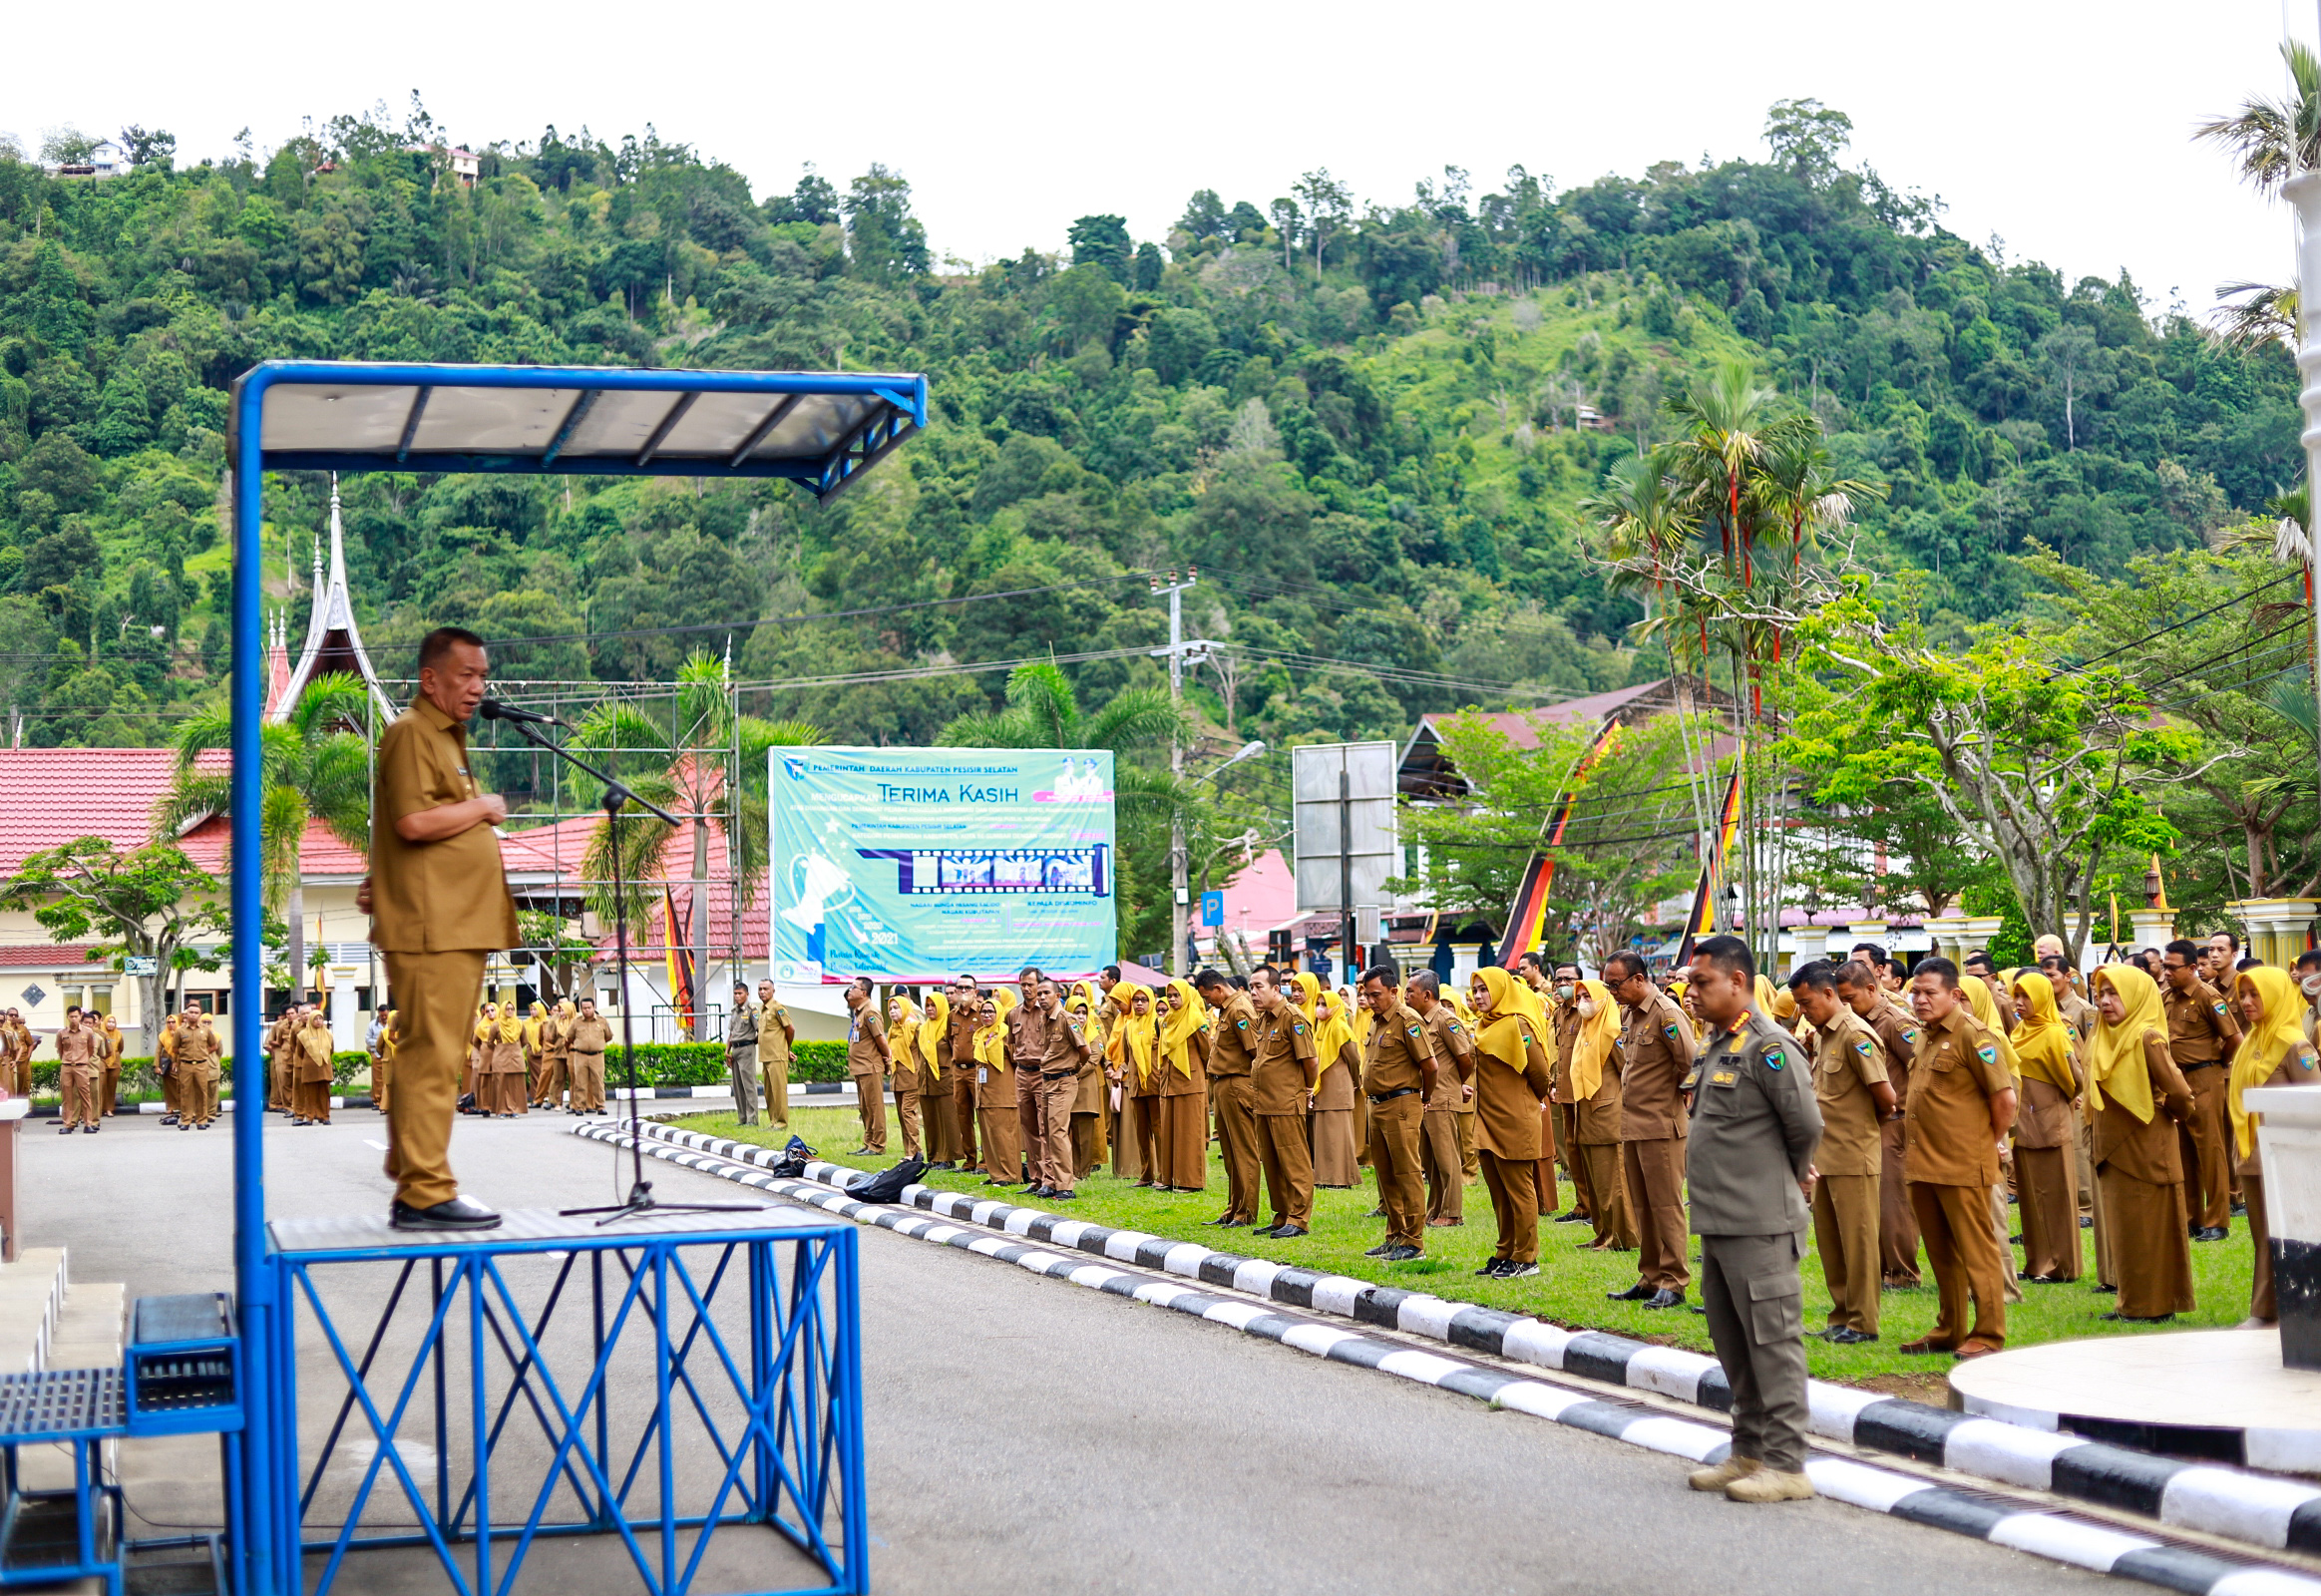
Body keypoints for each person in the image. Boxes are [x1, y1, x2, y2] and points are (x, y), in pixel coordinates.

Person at [359, 625, 519, 1231]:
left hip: (452, 922)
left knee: (432, 1052)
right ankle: (426, 1189)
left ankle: (412, 1174)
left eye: (483, 676)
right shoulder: (409, 733)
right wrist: (484, 807)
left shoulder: (446, 740)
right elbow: (412, 822)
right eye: (466, 676)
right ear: (430, 678)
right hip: (432, 926)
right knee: (434, 1055)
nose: (478, 687)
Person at [1682, 936, 1823, 1504]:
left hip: (1761, 1221)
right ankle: (1748, 1450)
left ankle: (1787, 1464)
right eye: (1691, 983)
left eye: (1702, 982)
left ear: (1737, 982)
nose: (1692, 992)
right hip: (1719, 1221)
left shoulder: (1771, 1047)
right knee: (1734, 1343)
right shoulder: (1719, 1044)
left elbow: (1806, 1126)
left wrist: (1789, 1176)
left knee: (1773, 1341)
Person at [1899, 957, 2017, 1360]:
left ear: (1955, 994)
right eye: (1915, 992)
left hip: (1964, 1161)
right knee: (1940, 1250)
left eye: (1929, 992)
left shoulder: (1974, 1035)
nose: (1919, 999)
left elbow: (2005, 1099)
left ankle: (1988, 1333)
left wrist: (1989, 1141)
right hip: (1923, 1162)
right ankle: (1951, 1326)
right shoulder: (1925, 1035)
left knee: (1976, 1249)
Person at [1790, 960, 1895, 1343]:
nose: (1803, 1011)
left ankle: (1863, 1323)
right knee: (1833, 1245)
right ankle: (1840, 1317)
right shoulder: (1821, 1035)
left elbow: (1886, 1098)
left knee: (1860, 1242)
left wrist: (1862, 1129)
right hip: (1825, 1155)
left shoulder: (1855, 1035)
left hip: (1854, 1154)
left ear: (1829, 994)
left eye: (1807, 1003)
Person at [2087, 964, 2197, 1322]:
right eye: (2101, 993)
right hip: (2112, 1146)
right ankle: (2132, 1301)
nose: (2105, 1001)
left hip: (2147, 1145)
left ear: (2135, 997)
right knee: (2127, 1230)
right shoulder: (2103, 1034)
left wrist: (2168, 1110)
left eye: (2114, 993)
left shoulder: (2146, 1036)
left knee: (2151, 1227)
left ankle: (2154, 1305)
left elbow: (2180, 1091)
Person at [1609, 950, 1697, 1308]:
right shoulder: (1630, 1013)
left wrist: (1675, 1098)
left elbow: (1690, 1065)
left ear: (1639, 980)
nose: (1612, 991)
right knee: (1643, 1206)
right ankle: (1651, 1276)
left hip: (1661, 1126)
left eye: (1616, 984)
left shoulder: (1667, 1014)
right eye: (1608, 984)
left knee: (1666, 1205)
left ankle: (1674, 1281)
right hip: (1633, 1124)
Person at [2231, 968, 2318, 1326]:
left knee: (2280, 1234)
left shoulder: (2296, 1045)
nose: (2247, 1002)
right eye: (2243, 995)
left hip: (2287, 1157)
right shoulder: (2252, 1042)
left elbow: (2314, 1102)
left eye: (2256, 994)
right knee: (2261, 1234)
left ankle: (2268, 1312)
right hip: (2254, 1155)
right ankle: (2272, 1308)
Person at [1834, 960, 1921, 1288]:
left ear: (1872, 989)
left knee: (1893, 1200)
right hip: (1868, 1122)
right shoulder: (1854, 1022)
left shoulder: (1895, 1022)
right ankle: (1882, 1267)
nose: (1846, 1005)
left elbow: (1920, 1067)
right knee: (1871, 1200)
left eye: (1851, 998)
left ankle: (1901, 1272)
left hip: (1895, 1120)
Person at [1465, 967, 1555, 1278]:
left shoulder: (1518, 1023)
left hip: (1515, 1119)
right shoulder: (1483, 1025)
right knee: (1498, 1192)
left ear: (1502, 989)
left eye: (1484, 989)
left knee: (1519, 1190)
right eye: (1475, 990)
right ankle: (1505, 1251)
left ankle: (1526, 1257)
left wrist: (1530, 1101)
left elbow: (1540, 1073)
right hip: (1486, 1118)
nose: (1478, 996)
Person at [2160, 939, 2239, 1242]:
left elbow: (2234, 1039)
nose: (2166, 972)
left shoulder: (2208, 996)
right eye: (2164, 966)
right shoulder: (2166, 996)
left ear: (2192, 968)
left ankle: (2218, 1219)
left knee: (2211, 1150)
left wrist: (2215, 1063)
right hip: (2177, 1084)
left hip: (2205, 1078)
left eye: (2172, 967)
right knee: (2184, 1152)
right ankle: (2194, 1218)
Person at [1357, 964, 1436, 1261]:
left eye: (1376, 994)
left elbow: (1430, 1066)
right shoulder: (1376, 1021)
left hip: (1402, 1103)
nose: (1371, 1000)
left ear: (1394, 991)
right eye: (1367, 995)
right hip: (1377, 1105)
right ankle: (1395, 1235)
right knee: (1386, 1175)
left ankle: (1413, 1242)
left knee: (1407, 1172)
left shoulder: (1407, 1020)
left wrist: (1424, 1097)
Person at [2010, 972, 2085, 1284]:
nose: (2019, 1003)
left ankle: (2062, 1265)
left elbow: (2076, 1078)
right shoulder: (2019, 1031)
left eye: (2026, 996)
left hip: (2048, 1122)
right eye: (2016, 996)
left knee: (2055, 1196)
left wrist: (2057, 1102)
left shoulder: (2055, 1033)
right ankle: (2036, 1263)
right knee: (2029, 1197)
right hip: (2022, 1124)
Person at [1248, 969, 1320, 1239]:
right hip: (1264, 1101)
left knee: (1294, 1161)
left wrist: (1307, 1088)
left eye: (1258, 986)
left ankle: (1299, 1218)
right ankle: (1282, 1214)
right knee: (1273, 1162)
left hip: (1286, 1101)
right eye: (1251, 987)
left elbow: (1310, 1061)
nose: (1253, 993)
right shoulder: (1264, 1019)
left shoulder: (1292, 1017)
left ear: (1276, 989)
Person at [1570, 966, 1636, 1253]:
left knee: (1613, 1181)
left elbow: (1629, 1073)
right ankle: (1602, 1232)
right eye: (1579, 997)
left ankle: (1621, 1236)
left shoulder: (1612, 1032)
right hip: (1585, 1113)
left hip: (1608, 1115)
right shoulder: (1586, 1030)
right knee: (1595, 1182)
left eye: (1588, 996)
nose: (1583, 1002)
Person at [1196, 969, 1263, 1226]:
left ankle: (1246, 1212)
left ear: (1218, 989)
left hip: (1237, 1084)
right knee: (1230, 1152)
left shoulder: (1239, 1010)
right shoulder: (1227, 1009)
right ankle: (1233, 1208)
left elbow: (1255, 1052)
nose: (1207, 1002)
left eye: (1207, 996)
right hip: (1224, 1085)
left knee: (1243, 1151)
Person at [1407, 971, 1473, 1228]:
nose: (1406, 996)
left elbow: (1465, 1058)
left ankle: (1452, 1212)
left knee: (1447, 1158)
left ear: (1427, 994)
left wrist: (1456, 1084)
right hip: (1426, 1098)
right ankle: (1435, 1209)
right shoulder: (1419, 1020)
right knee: (1430, 1159)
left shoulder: (1446, 1020)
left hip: (1442, 1096)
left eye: (1411, 991)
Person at [1296, 974, 1360, 1188]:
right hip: (1324, 1087)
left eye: (1325, 1004)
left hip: (1339, 1087)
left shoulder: (1341, 1027)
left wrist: (1353, 1081)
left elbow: (1354, 1059)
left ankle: (1341, 1178)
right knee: (1325, 1135)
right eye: (1319, 1003)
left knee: (1338, 1134)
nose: (1320, 1008)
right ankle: (1325, 1177)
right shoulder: (1321, 1028)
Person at [1546, 963, 1591, 1227]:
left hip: (1583, 1089)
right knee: (1572, 1150)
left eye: (1568, 979)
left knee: (1587, 1150)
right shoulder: (1559, 1013)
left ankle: (1594, 1207)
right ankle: (1582, 1205)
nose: (1561, 983)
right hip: (1563, 1088)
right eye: (1557, 979)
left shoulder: (1586, 1011)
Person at [1155, 980, 1208, 1192]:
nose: (1173, 1000)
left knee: (1189, 1132)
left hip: (1189, 1080)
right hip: (1169, 1080)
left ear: (1186, 995)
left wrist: (1203, 1075)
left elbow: (1206, 1050)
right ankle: (1168, 1177)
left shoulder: (1195, 1019)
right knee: (1169, 1130)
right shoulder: (1167, 1020)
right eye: (1170, 996)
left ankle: (1190, 1181)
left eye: (1177, 995)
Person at [971, 991, 1020, 1183]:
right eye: (983, 1011)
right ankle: (995, 1174)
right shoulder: (980, 1035)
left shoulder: (1005, 1035)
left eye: (991, 1012)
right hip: (984, 1092)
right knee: (989, 1136)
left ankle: (1010, 1174)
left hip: (1003, 1092)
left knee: (1004, 1136)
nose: (986, 1015)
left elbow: (1017, 1060)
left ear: (999, 1013)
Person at [1117, 985, 1162, 1182]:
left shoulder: (1159, 1024)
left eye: (1144, 1000)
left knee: (1160, 1131)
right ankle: (1146, 1174)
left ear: (1151, 1001)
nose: (1140, 1004)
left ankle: (1164, 1174)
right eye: (1136, 1000)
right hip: (1136, 1086)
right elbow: (1127, 1058)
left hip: (1156, 1083)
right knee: (1141, 1133)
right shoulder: (1128, 1027)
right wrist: (1122, 1071)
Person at [844, 978, 890, 1156]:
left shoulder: (870, 1012)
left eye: (853, 987)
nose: (849, 990)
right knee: (865, 1108)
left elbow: (880, 1039)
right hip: (860, 1067)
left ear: (863, 992)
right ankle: (869, 1142)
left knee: (874, 1107)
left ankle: (878, 1145)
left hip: (870, 1066)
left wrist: (887, 1060)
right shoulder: (859, 1012)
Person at [922, 986, 960, 1168]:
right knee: (930, 1120)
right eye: (927, 1005)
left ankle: (948, 1158)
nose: (930, 1008)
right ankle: (934, 1156)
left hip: (945, 1079)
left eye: (933, 1005)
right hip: (926, 1081)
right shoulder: (923, 1029)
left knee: (947, 1119)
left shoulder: (948, 1027)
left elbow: (956, 1052)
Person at [886, 994, 926, 1160]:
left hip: (912, 1076)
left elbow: (924, 1051)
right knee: (902, 1116)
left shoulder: (914, 1027)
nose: (893, 1012)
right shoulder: (893, 1029)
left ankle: (916, 1152)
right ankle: (908, 1151)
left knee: (908, 1112)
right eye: (890, 1009)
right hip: (897, 1077)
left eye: (896, 1008)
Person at [755, 981, 794, 1128]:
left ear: (773, 991)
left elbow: (790, 1029)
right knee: (769, 1092)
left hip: (777, 1056)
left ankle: (782, 1122)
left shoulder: (778, 1008)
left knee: (779, 1091)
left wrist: (786, 1048)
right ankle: (773, 1121)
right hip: (766, 1056)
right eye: (760, 989)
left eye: (765, 989)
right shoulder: (763, 1009)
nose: (762, 992)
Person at [724, 984, 763, 1127]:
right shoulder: (734, 1011)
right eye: (735, 993)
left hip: (747, 1048)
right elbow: (732, 1033)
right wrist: (727, 1051)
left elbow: (760, 1030)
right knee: (738, 1085)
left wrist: (752, 1042)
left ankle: (752, 1119)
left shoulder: (752, 1010)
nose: (737, 996)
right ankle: (742, 1118)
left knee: (749, 1085)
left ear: (747, 994)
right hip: (735, 1049)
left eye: (740, 993)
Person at [55, 1009, 100, 1134]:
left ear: (80, 1016)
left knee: (85, 1096)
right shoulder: (61, 1033)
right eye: (71, 1016)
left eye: (76, 1016)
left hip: (81, 1066)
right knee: (67, 1096)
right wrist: (67, 1060)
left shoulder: (88, 1032)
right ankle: (67, 1124)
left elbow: (91, 1049)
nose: (73, 1019)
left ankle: (88, 1124)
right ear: (67, 1017)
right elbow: (60, 1050)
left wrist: (83, 1060)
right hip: (67, 1066)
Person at [177, 1007, 221, 1129]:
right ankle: (185, 1120)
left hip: (201, 1065)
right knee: (186, 1093)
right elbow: (175, 1048)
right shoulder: (180, 1031)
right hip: (186, 1065)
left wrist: (204, 1053)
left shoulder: (206, 1030)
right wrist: (185, 1054)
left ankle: (201, 1120)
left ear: (199, 1015)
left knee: (202, 1092)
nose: (193, 1015)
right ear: (187, 1014)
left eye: (196, 1013)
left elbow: (214, 1046)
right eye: (191, 1013)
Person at [567, 998, 610, 1114]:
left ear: (594, 1007)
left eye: (589, 1008)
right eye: (584, 1008)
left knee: (598, 1082)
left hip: (597, 1055)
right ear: (581, 1009)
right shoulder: (576, 1022)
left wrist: (596, 1044)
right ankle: (580, 1107)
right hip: (580, 1055)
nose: (587, 1010)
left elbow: (608, 1036)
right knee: (580, 1082)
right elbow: (569, 1037)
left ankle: (600, 1106)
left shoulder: (602, 1021)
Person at [294, 1007, 336, 1124]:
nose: (318, 1021)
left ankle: (325, 1117)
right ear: (311, 1020)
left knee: (324, 1093)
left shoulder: (328, 1034)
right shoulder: (302, 1035)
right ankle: (310, 1117)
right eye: (315, 1019)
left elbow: (331, 1050)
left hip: (325, 1067)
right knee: (310, 1094)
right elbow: (299, 1052)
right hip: (310, 1068)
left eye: (320, 1019)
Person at [373, 1007, 399, 1116]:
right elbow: (378, 1047)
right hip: (389, 1062)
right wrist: (386, 1054)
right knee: (388, 1085)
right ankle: (385, 1107)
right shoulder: (384, 1033)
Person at [98, 1014, 124, 1117]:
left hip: (115, 1063)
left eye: (113, 1022)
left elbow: (121, 1048)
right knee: (101, 1086)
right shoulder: (101, 1033)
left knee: (111, 1087)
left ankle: (109, 1109)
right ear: (104, 1022)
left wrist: (115, 1054)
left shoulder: (118, 1034)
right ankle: (99, 1109)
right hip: (103, 1061)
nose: (111, 1024)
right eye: (109, 1021)